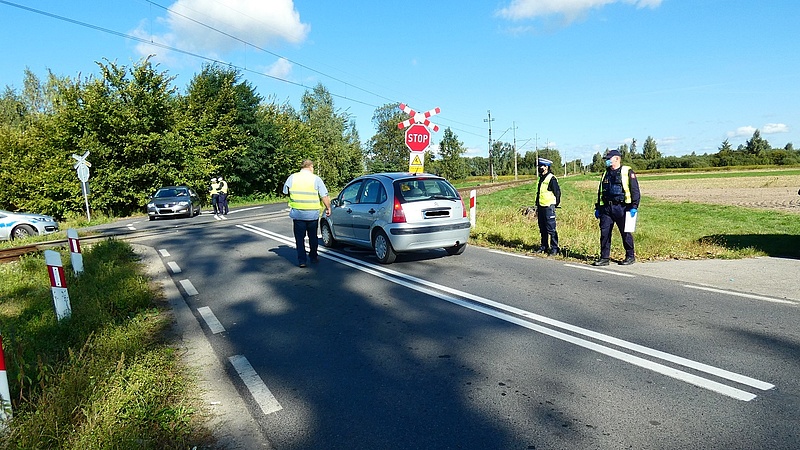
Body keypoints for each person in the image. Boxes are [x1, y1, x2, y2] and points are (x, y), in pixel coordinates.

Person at [593, 149, 641, 266]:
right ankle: (604, 258)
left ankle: (630, 256)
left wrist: (634, 206)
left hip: (623, 208)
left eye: (609, 159)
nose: (607, 161)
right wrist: (598, 208)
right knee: (605, 233)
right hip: (607, 208)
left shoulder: (627, 171)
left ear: (617, 159)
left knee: (626, 233)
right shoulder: (606, 173)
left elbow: (635, 190)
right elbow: (601, 191)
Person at [283, 160, 332, 267]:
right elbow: (324, 195)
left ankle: (302, 261)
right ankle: (313, 257)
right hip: (312, 214)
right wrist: (328, 207)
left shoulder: (292, 177)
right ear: (310, 167)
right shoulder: (316, 179)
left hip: (298, 214)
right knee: (313, 237)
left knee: (299, 239)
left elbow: (285, 191)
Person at [534, 158, 561, 255]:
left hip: (549, 207)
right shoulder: (541, 178)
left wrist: (554, 204)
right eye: (539, 166)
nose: (540, 168)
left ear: (546, 167)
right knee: (542, 228)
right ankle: (544, 246)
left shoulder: (551, 178)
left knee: (551, 228)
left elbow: (557, 192)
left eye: (542, 166)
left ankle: (555, 248)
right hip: (541, 206)